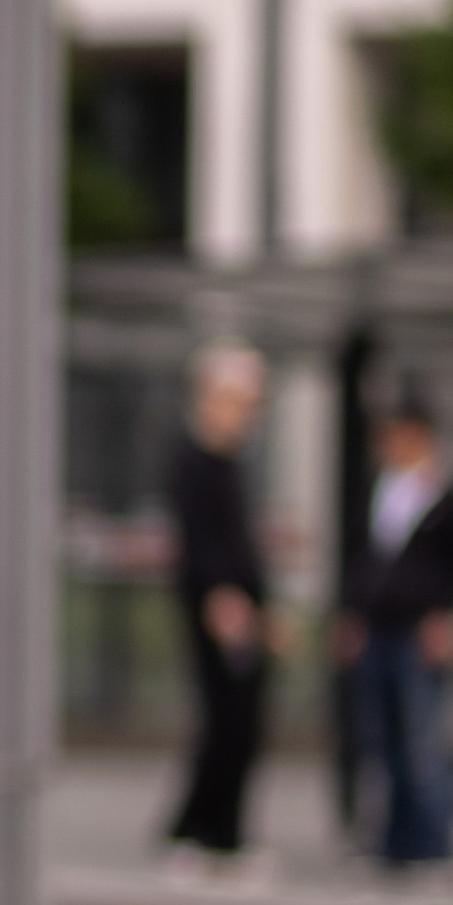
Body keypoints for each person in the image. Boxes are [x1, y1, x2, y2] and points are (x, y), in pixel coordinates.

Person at [163, 346, 275, 873]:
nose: (246, 413)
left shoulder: (230, 463)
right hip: (219, 607)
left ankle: (208, 830)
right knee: (227, 720)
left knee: (241, 720)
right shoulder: (195, 461)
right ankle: (206, 834)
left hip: (239, 606)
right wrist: (222, 597)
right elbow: (203, 544)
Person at [338, 380, 453, 872]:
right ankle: (393, 840)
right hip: (378, 629)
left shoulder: (440, 495)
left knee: (420, 739)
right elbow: (366, 563)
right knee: (381, 738)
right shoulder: (379, 491)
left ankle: (429, 840)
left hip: (418, 630)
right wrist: (352, 616)